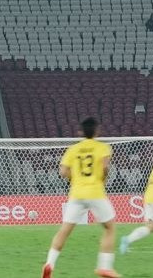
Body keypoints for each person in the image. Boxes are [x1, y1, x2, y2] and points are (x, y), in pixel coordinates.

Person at [44, 118, 120, 278]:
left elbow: (63, 172)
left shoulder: (73, 149)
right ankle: (105, 267)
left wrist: (75, 179)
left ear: (81, 132)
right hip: (95, 192)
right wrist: (102, 179)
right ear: (97, 131)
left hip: (76, 194)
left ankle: (49, 264)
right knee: (110, 228)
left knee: (64, 231)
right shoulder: (103, 148)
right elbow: (105, 168)